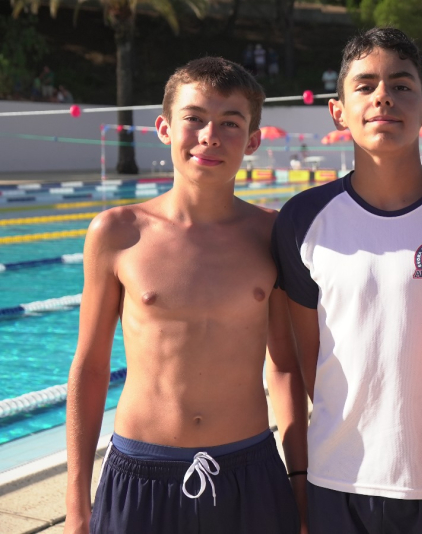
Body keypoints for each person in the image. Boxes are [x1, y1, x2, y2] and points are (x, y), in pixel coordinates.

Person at [271, 27, 422, 534]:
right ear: (338, 111)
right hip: (338, 481)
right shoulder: (303, 219)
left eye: (401, 85)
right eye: (365, 85)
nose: (383, 95)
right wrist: (299, 471)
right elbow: (306, 361)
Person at [65, 57, 308, 534]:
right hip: (141, 472)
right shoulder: (117, 232)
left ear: (253, 140)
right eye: (194, 118)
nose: (209, 135)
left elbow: (284, 365)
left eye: (230, 123)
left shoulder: (273, 234)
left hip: (250, 469)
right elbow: (91, 366)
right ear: (164, 127)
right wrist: (76, 501)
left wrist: (298, 478)